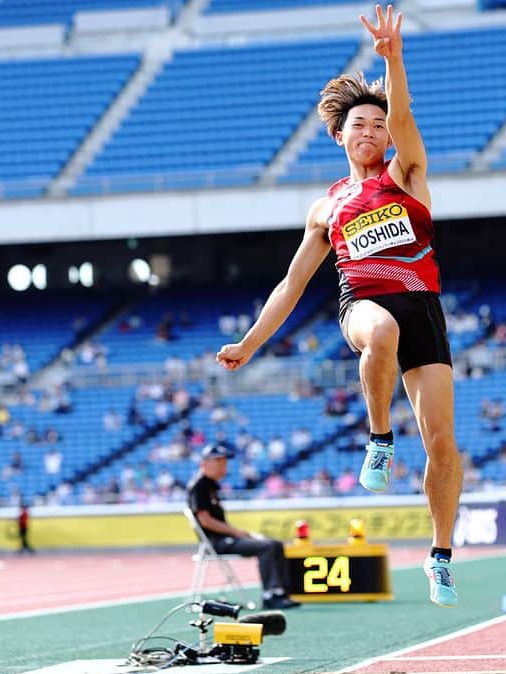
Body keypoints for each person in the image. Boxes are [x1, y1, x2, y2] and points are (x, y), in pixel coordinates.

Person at [215, 5, 460, 607]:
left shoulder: (406, 174)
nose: (374, 130)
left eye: (380, 123)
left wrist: (392, 60)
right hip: (365, 303)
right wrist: (249, 343)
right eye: (362, 124)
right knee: (379, 334)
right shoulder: (327, 208)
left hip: (423, 307)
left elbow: (404, 117)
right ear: (339, 135)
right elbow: (292, 284)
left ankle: (441, 555)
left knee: (443, 446)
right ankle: (378, 439)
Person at [186, 443, 300, 610]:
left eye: (225, 462)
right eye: (220, 462)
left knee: (276, 544)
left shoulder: (211, 485)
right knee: (266, 547)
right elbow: (206, 521)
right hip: (217, 542)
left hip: (226, 538)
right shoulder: (199, 486)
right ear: (206, 463)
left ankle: (282, 592)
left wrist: (240, 533)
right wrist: (237, 533)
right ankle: (270, 594)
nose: (224, 466)